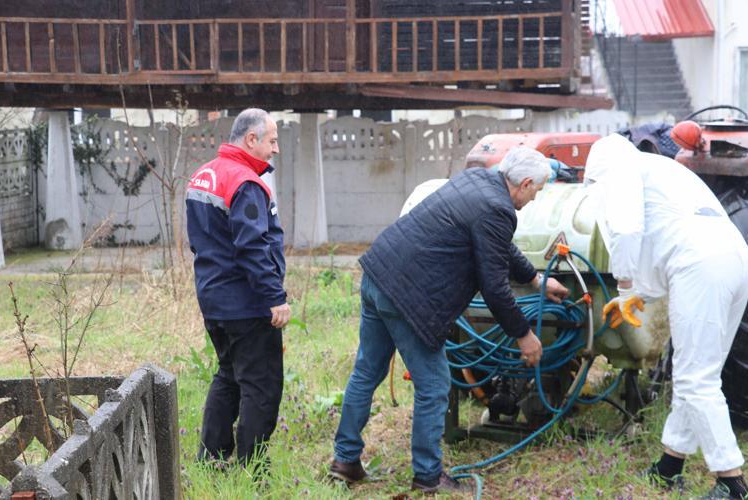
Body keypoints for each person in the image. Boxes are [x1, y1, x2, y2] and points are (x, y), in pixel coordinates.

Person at [329, 147, 570, 493]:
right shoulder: (498, 208)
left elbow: (500, 247)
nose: (535, 198)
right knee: (434, 385)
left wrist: (535, 280)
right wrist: (524, 334)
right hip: (409, 296)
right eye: (537, 191)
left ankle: (345, 461)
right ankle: (428, 476)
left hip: (378, 274)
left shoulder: (477, 180)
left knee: (367, 372)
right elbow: (494, 287)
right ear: (526, 183)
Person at [585, 133, 748, 499]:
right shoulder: (660, 169)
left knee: (695, 379)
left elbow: (627, 228)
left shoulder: (620, 168)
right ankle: (669, 466)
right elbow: (665, 235)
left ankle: (731, 481)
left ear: (598, 170)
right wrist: (640, 295)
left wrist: (625, 289)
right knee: (699, 372)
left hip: (700, 265)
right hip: (733, 258)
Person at [186, 108, 291, 470]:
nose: (275, 149)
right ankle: (252, 469)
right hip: (246, 304)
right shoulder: (245, 182)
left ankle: (211, 458)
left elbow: (201, 241)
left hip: (213, 299)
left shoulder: (203, 175)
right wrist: (274, 297)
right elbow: (252, 246)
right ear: (251, 139)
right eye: (272, 141)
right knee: (261, 386)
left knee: (229, 374)